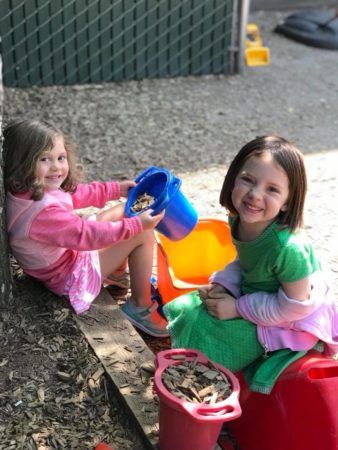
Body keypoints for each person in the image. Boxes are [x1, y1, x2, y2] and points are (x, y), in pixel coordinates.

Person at [163, 135, 337, 392]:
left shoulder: (287, 250)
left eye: (272, 189)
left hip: (292, 323)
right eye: (248, 180)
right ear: (233, 178)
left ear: (288, 201)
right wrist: (225, 285)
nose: (255, 195)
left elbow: (296, 308)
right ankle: (188, 371)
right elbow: (244, 262)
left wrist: (237, 308)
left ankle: (202, 386)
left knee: (215, 334)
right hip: (259, 301)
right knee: (194, 309)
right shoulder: (239, 220)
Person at [3, 119, 168, 337]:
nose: (56, 167)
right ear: (22, 163)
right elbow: (85, 236)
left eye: (61, 158)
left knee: (124, 212)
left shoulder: (30, 188)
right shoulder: (43, 213)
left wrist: (115, 190)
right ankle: (140, 306)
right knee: (143, 232)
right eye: (44, 159)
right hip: (67, 276)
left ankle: (115, 272)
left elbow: (75, 193)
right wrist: (137, 225)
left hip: (67, 258)